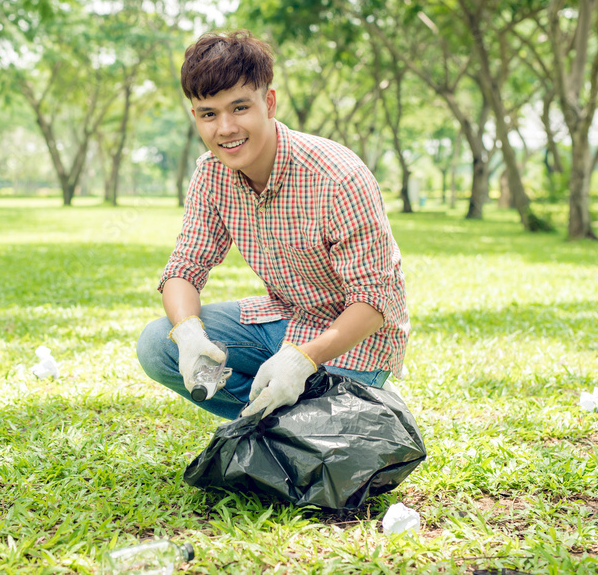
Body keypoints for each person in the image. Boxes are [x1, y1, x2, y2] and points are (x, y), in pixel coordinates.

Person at [137, 30, 409, 421]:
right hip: (284, 319)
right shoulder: (211, 175)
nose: (225, 128)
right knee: (155, 344)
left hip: (356, 340)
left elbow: (375, 300)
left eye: (240, 108)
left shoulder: (337, 176)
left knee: (325, 444)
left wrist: (302, 361)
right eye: (209, 114)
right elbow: (185, 267)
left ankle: (353, 407)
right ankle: (281, 421)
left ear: (269, 102)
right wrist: (188, 333)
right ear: (195, 116)